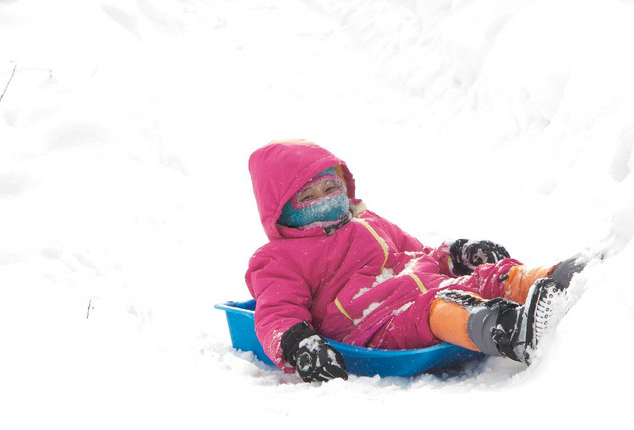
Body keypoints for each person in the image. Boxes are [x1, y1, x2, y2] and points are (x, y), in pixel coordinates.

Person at [244, 139, 585, 382]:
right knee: (440, 306)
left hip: (423, 287)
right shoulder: (277, 258)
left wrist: (456, 255)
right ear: (283, 211)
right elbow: (276, 313)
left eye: (331, 188)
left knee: (486, 276)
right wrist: (298, 344)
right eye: (308, 196)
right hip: (374, 324)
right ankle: (510, 330)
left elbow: (416, 255)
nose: (325, 200)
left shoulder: (368, 223)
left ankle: (560, 278)